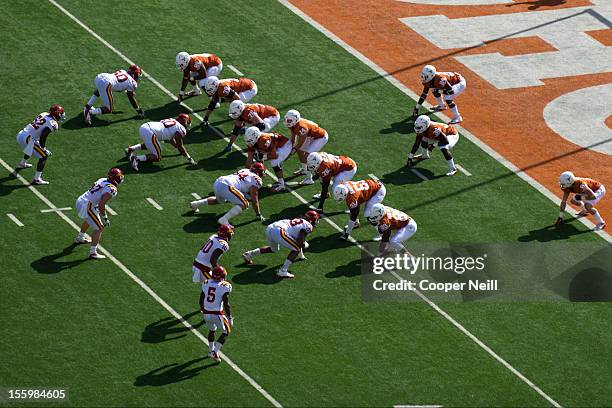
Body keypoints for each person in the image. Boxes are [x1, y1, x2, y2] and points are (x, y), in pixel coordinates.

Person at [242, 211, 320, 278]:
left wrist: (301, 254)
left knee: (274, 249)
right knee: (296, 249)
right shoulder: (308, 226)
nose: (316, 221)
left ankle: (249, 254)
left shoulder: (299, 220)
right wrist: (304, 244)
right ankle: (283, 271)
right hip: (279, 231)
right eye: (316, 219)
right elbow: (299, 242)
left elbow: (297, 238)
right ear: (312, 219)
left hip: (270, 228)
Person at [189, 163, 266, 225]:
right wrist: (258, 214)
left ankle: (195, 204)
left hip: (219, 181)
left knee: (220, 200)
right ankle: (224, 219)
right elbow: (254, 198)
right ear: (259, 172)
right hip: (227, 185)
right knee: (245, 204)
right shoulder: (257, 179)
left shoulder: (245, 170)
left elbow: (242, 184)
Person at [74, 168, 124, 259]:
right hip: (87, 205)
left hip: (82, 199)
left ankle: (80, 238)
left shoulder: (102, 179)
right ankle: (93, 252)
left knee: (90, 219)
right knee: (99, 227)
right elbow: (101, 205)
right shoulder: (112, 189)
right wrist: (105, 218)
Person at [15, 104, 65, 185]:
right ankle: (37, 179)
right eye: (61, 114)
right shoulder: (53, 123)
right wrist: (43, 148)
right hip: (28, 138)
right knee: (44, 156)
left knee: (31, 147)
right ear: (57, 114)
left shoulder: (44, 114)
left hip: (21, 133)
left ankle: (22, 163)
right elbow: (43, 136)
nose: (61, 116)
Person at [126, 114, 195, 170]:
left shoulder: (172, 120)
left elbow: (171, 139)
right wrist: (189, 157)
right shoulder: (181, 129)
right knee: (157, 157)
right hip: (150, 132)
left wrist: (176, 146)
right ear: (185, 122)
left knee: (152, 143)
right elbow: (180, 146)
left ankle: (131, 149)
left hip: (145, 126)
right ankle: (136, 158)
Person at [284, 109, 329, 185]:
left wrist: (291, 153)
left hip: (320, 137)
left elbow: (300, 143)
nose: (287, 122)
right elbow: (293, 137)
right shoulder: (293, 124)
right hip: (310, 135)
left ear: (295, 120)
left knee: (307, 157)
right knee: (300, 151)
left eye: (289, 120)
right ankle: (304, 169)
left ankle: (309, 179)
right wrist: (290, 146)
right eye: (287, 119)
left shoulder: (302, 127)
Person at [200, 266, 233, 362]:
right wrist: (230, 317)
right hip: (217, 314)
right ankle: (215, 351)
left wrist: (203, 309)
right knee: (226, 332)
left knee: (212, 330)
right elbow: (226, 303)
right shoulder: (225, 286)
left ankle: (211, 351)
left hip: (206, 314)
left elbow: (201, 299)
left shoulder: (206, 283)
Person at [244, 127, 292, 192]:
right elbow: (249, 158)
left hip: (285, 145)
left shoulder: (264, 140)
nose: (249, 142)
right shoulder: (253, 140)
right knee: (257, 156)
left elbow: (274, 156)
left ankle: (281, 184)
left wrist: (262, 158)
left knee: (274, 162)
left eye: (250, 140)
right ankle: (260, 172)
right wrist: (245, 174)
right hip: (273, 146)